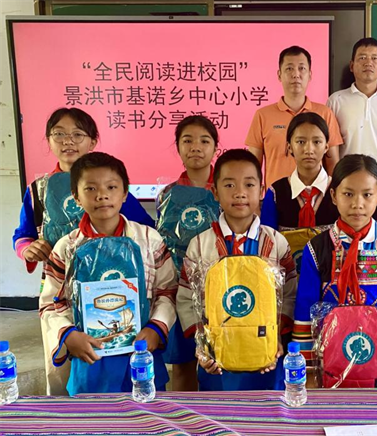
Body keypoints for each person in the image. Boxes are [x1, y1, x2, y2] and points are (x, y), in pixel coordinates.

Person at [12, 108, 153, 395]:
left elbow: (144, 231)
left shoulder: (110, 182)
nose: (68, 141)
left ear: (93, 141)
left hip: (114, 288)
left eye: (77, 134)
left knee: (112, 358)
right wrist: (28, 249)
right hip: (60, 288)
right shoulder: (38, 189)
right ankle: (68, 414)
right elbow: (23, 234)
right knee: (61, 364)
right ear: (48, 140)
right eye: (59, 134)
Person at [39, 152, 177, 396]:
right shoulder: (67, 247)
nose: (101, 195)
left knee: (148, 414)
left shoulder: (149, 240)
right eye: (90, 188)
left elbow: (168, 291)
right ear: (76, 196)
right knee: (93, 416)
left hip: (141, 353)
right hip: (90, 357)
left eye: (111, 187)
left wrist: (157, 328)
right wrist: (69, 335)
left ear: (125, 194)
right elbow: (50, 303)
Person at [292, 154, 377, 388]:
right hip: (329, 367)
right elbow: (305, 310)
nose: (357, 204)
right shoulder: (318, 248)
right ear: (334, 196)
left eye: (367, 195)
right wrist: (309, 373)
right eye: (348, 194)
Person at [176, 149, 298, 390]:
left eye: (249, 184)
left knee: (267, 410)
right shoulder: (200, 244)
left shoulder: (276, 242)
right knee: (218, 410)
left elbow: (289, 294)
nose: (240, 193)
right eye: (229, 185)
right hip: (217, 357)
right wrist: (203, 345)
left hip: (264, 351)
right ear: (215, 192)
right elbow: (186, 299)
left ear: (261, 191)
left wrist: (275, 339)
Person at [156, 115, 221, 392]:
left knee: (219, 359)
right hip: (180, 289)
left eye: (204, 141)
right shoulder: (166, 195)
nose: (196, 147)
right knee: (182, 363)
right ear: (178, 147)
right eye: (188, 141)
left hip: (219, 287)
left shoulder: (226, 190)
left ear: (215, 148)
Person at [246, 46, 343, 187]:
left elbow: (333, 163)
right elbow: (253, 166)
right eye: (289, 68)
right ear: (279, 75)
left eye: (302, 68)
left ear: (310, 75)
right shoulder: (262, 115)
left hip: (316, 195)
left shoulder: (325, 113)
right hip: (277, 195)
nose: (296, 74)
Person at [327, 38, 377, 177]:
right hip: (347, 179)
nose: (368, 63)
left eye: (374, 58)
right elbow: (330, 149)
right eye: (362, 58)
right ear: (352, 65)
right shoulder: (336, 101)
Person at [260, 112, 339, 231]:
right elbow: (267, 238)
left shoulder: (340, 190)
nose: (309, 150)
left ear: (326, 147)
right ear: (289, 147)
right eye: (301, 142)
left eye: (317, 142)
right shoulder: (275, 193)